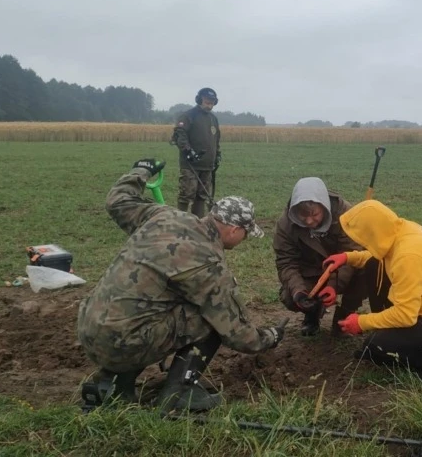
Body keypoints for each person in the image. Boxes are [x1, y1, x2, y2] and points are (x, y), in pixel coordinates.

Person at [77, 158, 287, 413]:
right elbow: (239, 336)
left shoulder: (163, 215)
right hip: (124, 343)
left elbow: (117, 200)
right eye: (246, 233)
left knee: (150, 308)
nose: (244, 239)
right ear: (233, 230)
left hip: (89, 327)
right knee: (210, 319)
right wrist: (270, 337)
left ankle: (111, 384)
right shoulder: (209, 263)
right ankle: (179, 394)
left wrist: (141, 170)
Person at [323, 200, 422, 380]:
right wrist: (347, 257)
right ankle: (405, 340)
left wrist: (362, 322)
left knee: (375, 348)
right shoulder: (402, 230)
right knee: (373, 264)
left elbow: (405, 315)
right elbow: (380, 254)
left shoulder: (408, 256)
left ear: (373, 233)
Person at [273, 177, 385, 336]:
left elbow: (352, 253)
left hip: (343, 268)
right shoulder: (286, 224)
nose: (309, 221)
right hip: (311, 271)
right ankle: (312, 314)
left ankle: (343, 317)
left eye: (314, 214)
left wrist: (333, 285)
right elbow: (286, 262)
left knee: (368, 269)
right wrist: (299, 291)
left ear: (324, 206)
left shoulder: (346, 214)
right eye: (303, 216)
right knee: (290, 296)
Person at [170, 87, 221, 218]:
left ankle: (198, 223)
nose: (209, 105)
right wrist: (188, 150)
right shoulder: (188, 116)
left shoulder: (213, 119)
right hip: (190, 164)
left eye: (212, 102)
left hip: (207, 165)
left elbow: (216, 139)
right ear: (199, 100)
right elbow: (180, 133)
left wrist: (217, 155)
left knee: (202, 196)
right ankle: (180, 222)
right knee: (186, 194)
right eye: (207, 101)